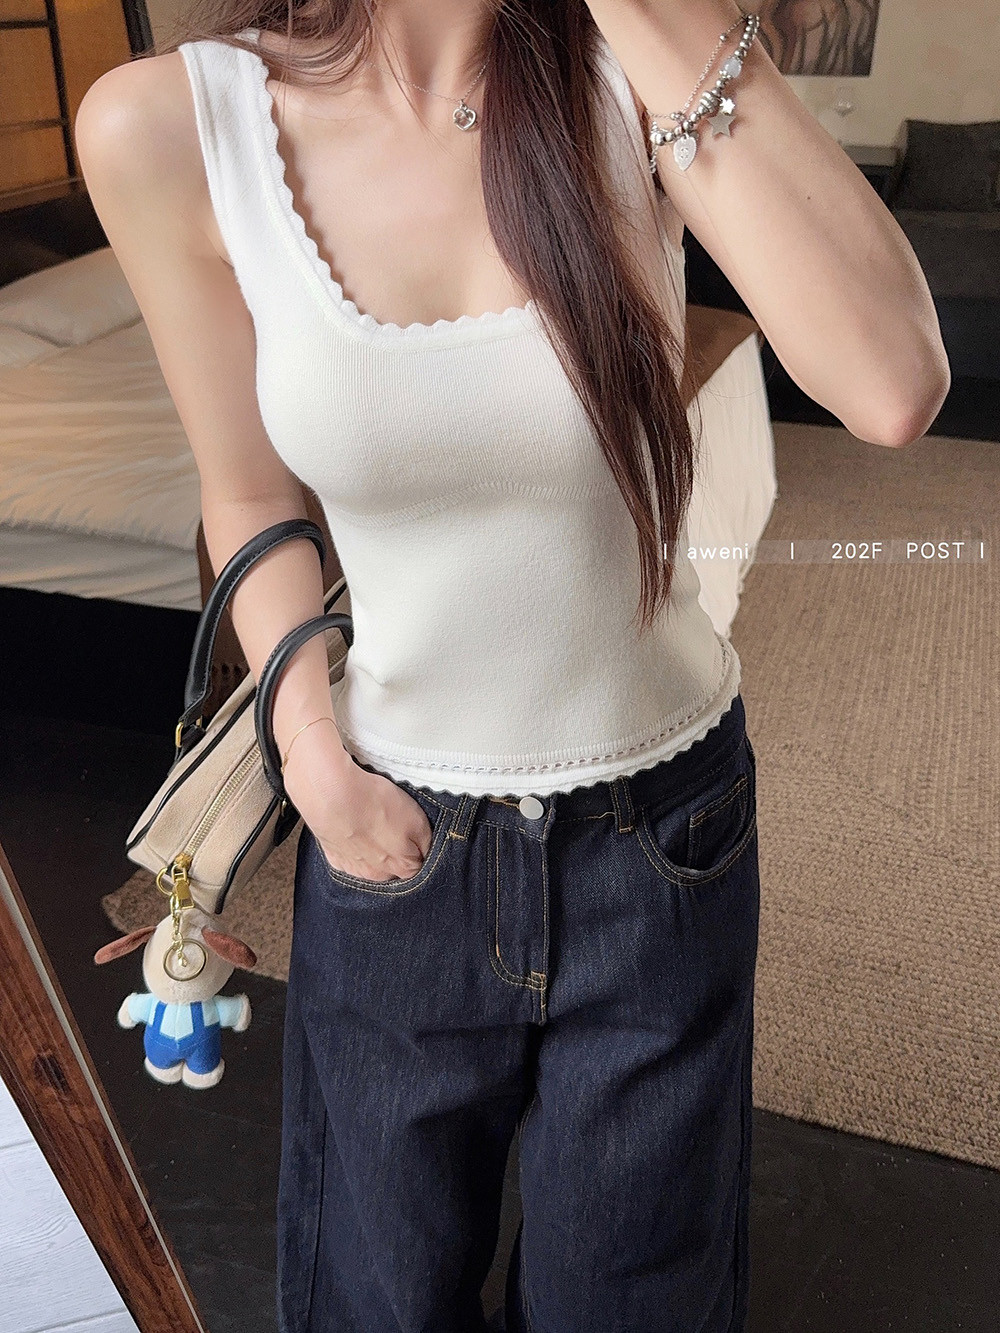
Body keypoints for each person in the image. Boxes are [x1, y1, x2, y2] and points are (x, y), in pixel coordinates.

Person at [75, 0, 948, 1327]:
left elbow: (891, 385)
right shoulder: (170, 125)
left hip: (664, 835)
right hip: (391, 839)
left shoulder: (630, 73)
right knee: (373, 1299)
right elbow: (248, 493)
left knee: (637, 1304)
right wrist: (310, 756)